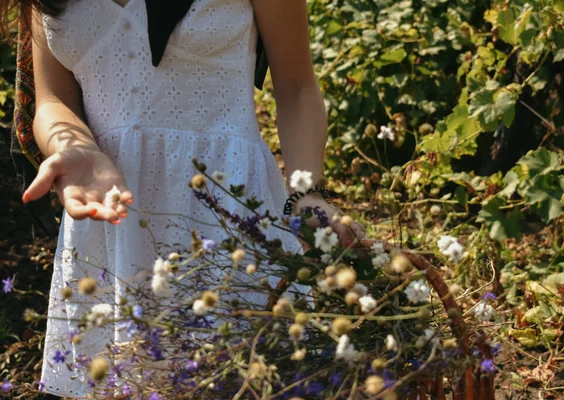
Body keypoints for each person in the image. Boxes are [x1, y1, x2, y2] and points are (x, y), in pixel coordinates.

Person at [2, 0, 363, 397]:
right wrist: (77, 149)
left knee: (245, 380)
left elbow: (297, 88)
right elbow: (54, 101)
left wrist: (306, 194)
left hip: (227, 221)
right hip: (109, 220)